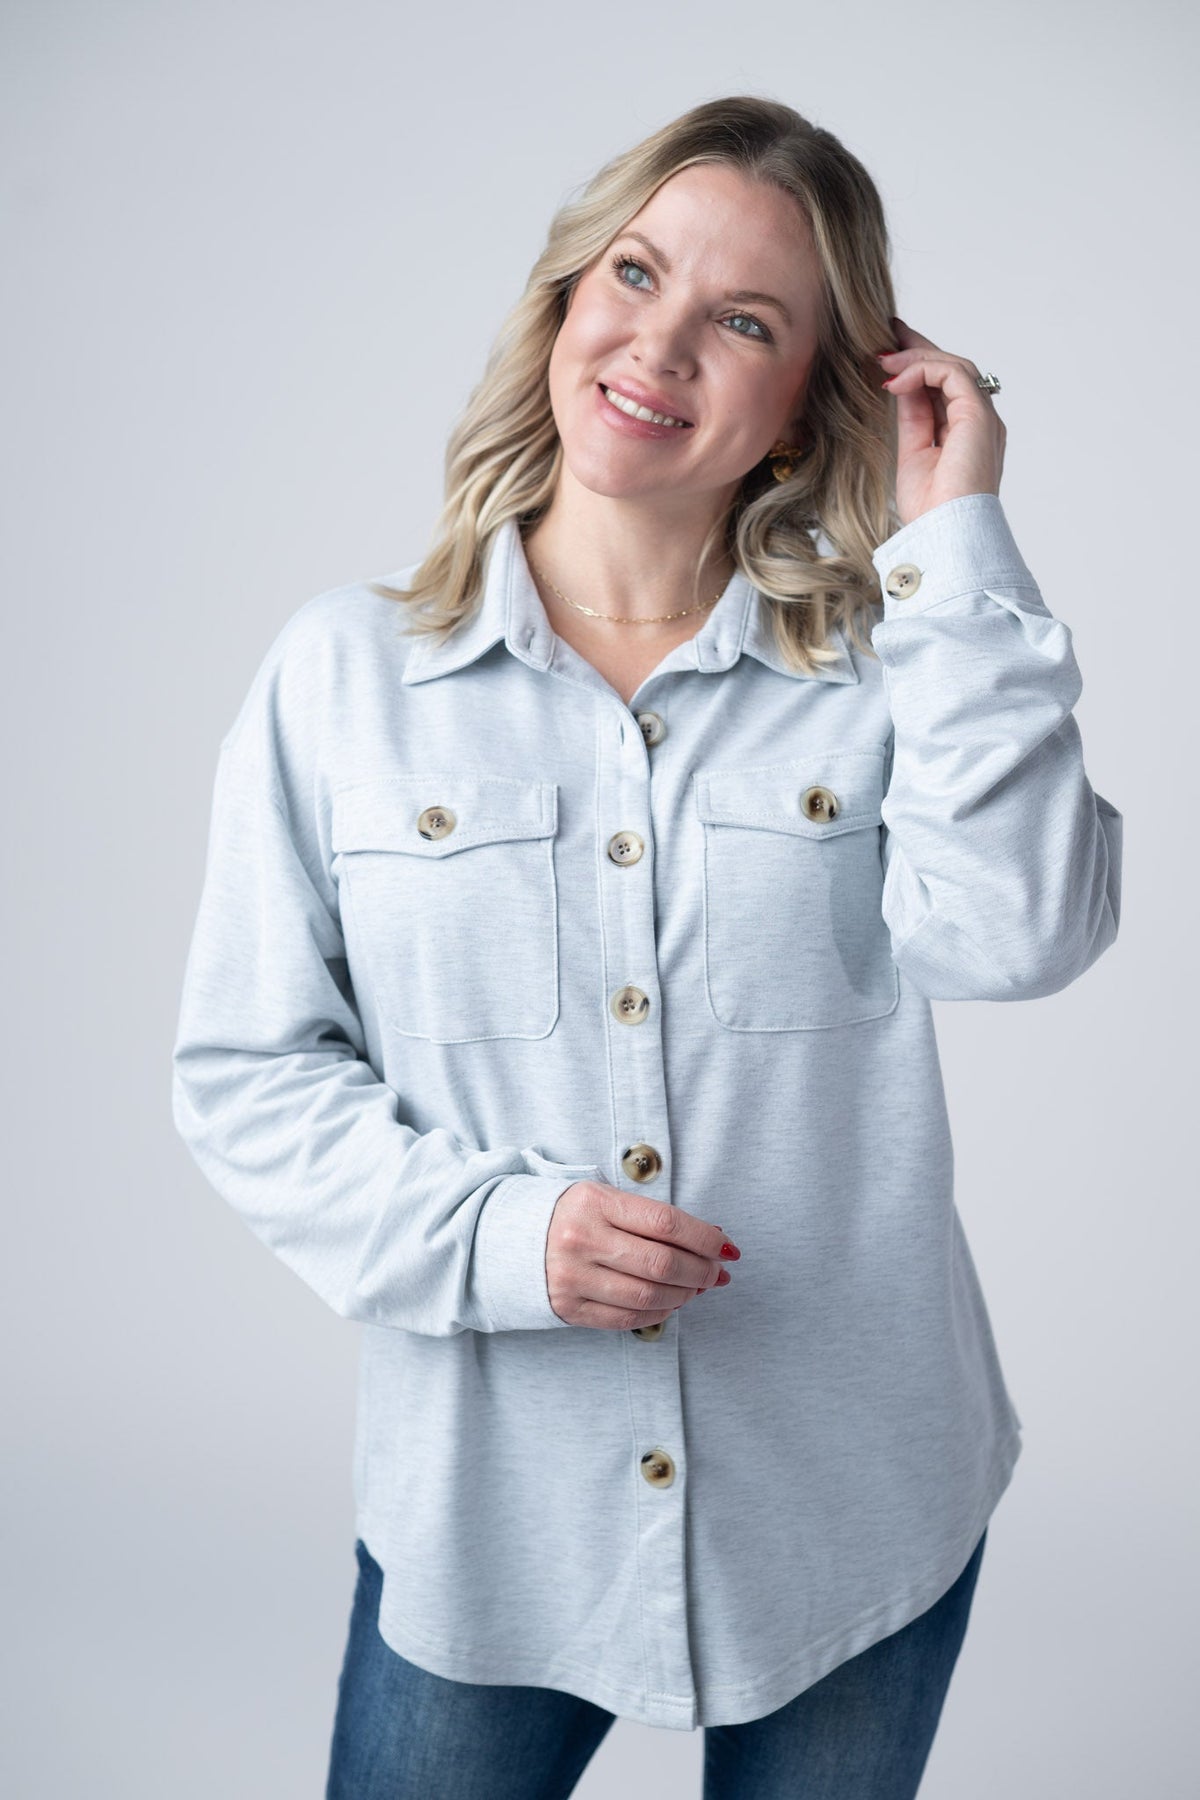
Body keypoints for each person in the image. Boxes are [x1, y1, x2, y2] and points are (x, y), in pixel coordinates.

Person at [171, 94, 1123, 1800]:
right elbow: (248, 1075)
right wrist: (502, 1239)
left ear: (804, 399)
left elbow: (1023, 931)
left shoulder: (894, 670)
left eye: (743, 321)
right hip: (496, 1526)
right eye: (635, 273)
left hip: (854, 1504)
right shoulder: (342, 678)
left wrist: (954, 545)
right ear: (565, 297)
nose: (659, 346)